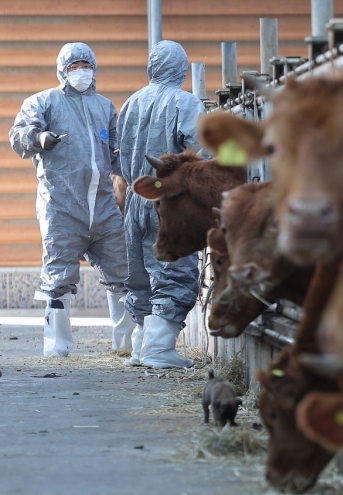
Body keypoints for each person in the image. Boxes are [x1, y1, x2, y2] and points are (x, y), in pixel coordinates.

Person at [9, 43, 136, 357]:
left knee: (123, 272)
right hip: (61, 205)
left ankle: (126, 343)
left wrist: (141, 171)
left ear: (94, 68)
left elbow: (117, 153)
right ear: (62, 70)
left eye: (85, 65)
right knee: (58, 277)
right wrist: (39, 138)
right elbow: (18, 134)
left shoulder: (105, 107)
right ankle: (58, 346)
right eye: (73, 66)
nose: (80, 71)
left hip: (104, 206)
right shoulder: (44, 102)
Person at [117, 40, 205, 368]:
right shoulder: (187, 103)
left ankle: (141, 347)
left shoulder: (131, 103)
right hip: (169, 202)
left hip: (136, 198)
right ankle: (159, 349)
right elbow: (201, 153)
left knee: (139, 273)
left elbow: (120, 154)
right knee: (175, 269)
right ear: (181, 69)